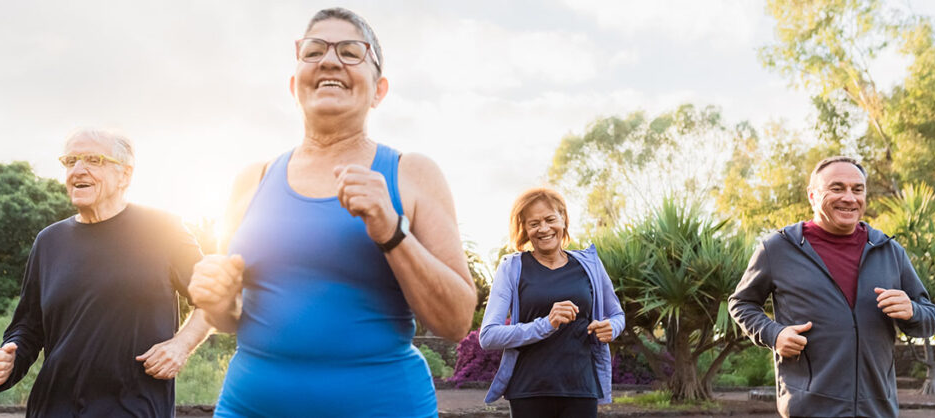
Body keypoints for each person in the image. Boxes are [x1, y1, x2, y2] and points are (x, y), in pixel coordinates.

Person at [186, 7, 476, 417]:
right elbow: (232, 317)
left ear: (379, 90)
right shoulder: (250, 179)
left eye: (351, 52)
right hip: (250, 406)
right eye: (314, 50)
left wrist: (392, 232)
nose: (329, 60)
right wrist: (216, 301)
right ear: (294, 85)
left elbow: (455, 321)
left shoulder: (412, 173)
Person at [0, 128, 213, 417]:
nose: (78, 170)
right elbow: (28, 326)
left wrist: (181, 345)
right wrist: (7, 361)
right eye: (71, 160)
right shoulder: (49, 241)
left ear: (124, 175)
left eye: (93, 160)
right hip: (53, 408)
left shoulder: (163, 229)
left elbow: (214, 300)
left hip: (134, 408)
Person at [728, 156, 935, 417]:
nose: (850, 198)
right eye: (837, 188)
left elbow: (930, 317)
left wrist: (912, 311)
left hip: (877, 410)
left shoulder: (889, 251)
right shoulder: (778, 248)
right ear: (813, 195)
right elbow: (741, 303)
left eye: (857, 189)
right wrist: (774, 334)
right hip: (809, 409)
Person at [479, 187, 625, 418]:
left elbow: (617, 315)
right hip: (529, 390)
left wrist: (612, 328)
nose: (544, 229)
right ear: (525, 229)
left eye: (550, 219)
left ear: (563, 220)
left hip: (581, 388)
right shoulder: (512, 268)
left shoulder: (590, 265)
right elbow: (488, 336)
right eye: (534, 223)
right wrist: (546, 324)